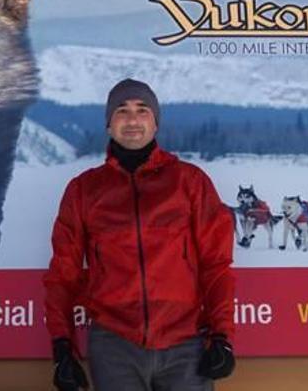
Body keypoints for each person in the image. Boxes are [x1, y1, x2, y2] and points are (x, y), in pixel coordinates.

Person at [43, 78, 236, 391]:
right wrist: (62, 346)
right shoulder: (83, 190)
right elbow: (62, 274)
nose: (132, 120)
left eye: (142, 110)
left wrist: (222, 335)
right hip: (114, 347)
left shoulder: (190, 183)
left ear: (155, 122)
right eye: (122, 110)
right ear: (109, 124)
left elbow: (216, 265)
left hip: (185, 344)